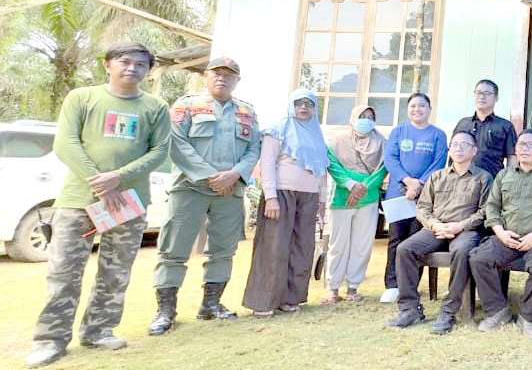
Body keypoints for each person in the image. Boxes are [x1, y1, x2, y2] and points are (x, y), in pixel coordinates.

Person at [26, 43, 171, 368]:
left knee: (115, 272)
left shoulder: (156, 107)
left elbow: (160, 151)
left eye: (140, 64)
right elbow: (65, 143)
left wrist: (118, 178)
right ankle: (50, 340)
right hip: (78, 201)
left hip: (128, 203)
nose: (132, 68)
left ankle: (99, 330)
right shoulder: (82, 98)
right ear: (108, 65)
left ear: (148, 71)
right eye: (124, 61)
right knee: (64, 271)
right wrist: (98, 180)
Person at [148, 57, 260, 336]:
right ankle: (165, 311)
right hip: (190, 188)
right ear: (205, 76)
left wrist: (233, 175)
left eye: (228, 75)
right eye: (216, 74)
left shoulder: (246, 111)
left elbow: (254, 149)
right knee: (174, 250)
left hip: (230, 190)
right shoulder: (186, 105)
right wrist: (211, 175)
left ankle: (211, 304)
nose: (222, 78)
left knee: (224, 249)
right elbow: (177, 143)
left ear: (237, 80)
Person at [387, 129, 492, 334]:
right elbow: (423, 208)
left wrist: (460, 226)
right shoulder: (437, 177)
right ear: (449, 150)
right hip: (436, 228)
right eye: (455, 145)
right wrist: (435, 225)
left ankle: (448, 311)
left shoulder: (483, 178)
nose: (459, 148)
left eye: (464, 144)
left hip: (466, 230)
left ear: (474, 150)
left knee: (461, 252)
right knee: (405, 249)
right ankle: (410, 308)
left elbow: (486, 211)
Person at [468, 129, 532, 339]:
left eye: (531, 144)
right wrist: (500, 232)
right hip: (506, 237)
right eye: (521, 144)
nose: (525, 148)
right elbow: (492, 207)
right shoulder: (504, 174)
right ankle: (497, 311)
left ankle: (528, 317)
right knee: (478, 258)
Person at [242, 88, 329, 317]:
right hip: (281, 195)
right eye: (298, 103)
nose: (303, 108)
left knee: (302, 247)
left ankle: (291, 298)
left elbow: (322, 171)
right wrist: (270, 197)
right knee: (274, 246)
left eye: (308, 104)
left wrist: (321, 199)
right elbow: (268, 165)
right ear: (291, 106)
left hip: (308, 197)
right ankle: (264, 301)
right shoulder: (277, 131)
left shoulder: (317, 134)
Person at [380, 92, 448, 303]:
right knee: (396, 239)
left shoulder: (438, 134)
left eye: (421, 106)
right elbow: (390, 159)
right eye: (413, 106)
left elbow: (439, 162)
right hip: (398, 193)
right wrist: (408, 181)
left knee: (416, 239)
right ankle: (392, 284)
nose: (417, 110)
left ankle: (410, 284)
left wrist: (419, 184)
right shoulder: (398, 131)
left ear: (429, 109)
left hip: (424, 195)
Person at [320, 105, 387, 304]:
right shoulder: (338, 141)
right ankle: (333, 288)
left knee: (362, 245)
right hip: (342, 196)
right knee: (338, 244)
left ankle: (353, 287)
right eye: (361, 116)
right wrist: (350, 185)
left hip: (368, 198)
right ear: (352, 117)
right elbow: (331, 164)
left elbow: (383, 168)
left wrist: (363, 188)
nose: (365, 120)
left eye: (370, 117)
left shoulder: (382, 142)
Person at [454, 79, 517, 177]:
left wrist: (508, 182)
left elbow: (512, 158)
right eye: (478, 93)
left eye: (487, 93)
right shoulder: (463, 124)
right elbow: (453, 153)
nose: (482, 96)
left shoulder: (505, 126)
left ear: (496, 97)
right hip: (462, 182)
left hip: (492, 182)